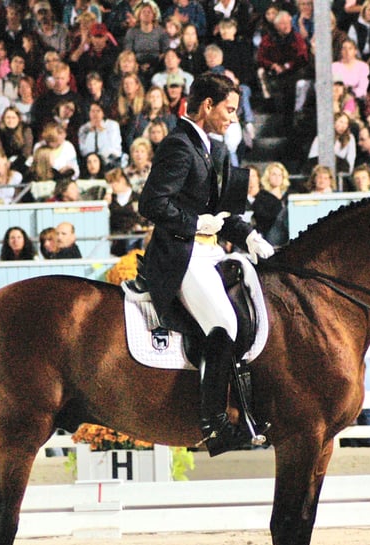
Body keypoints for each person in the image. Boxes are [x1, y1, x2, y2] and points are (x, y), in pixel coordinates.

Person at [139, 73, 274, 456]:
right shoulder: (179, 146)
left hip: (210, 248)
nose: (233, 117)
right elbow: (151, 203)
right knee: (224, 323)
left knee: (255, 309)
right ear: (207, 106)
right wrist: (194, 223)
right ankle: (214, 424)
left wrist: (249, 235)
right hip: (180, 254)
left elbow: (223, 211)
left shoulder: (215, 150)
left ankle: (247, 408)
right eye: (228, 110)